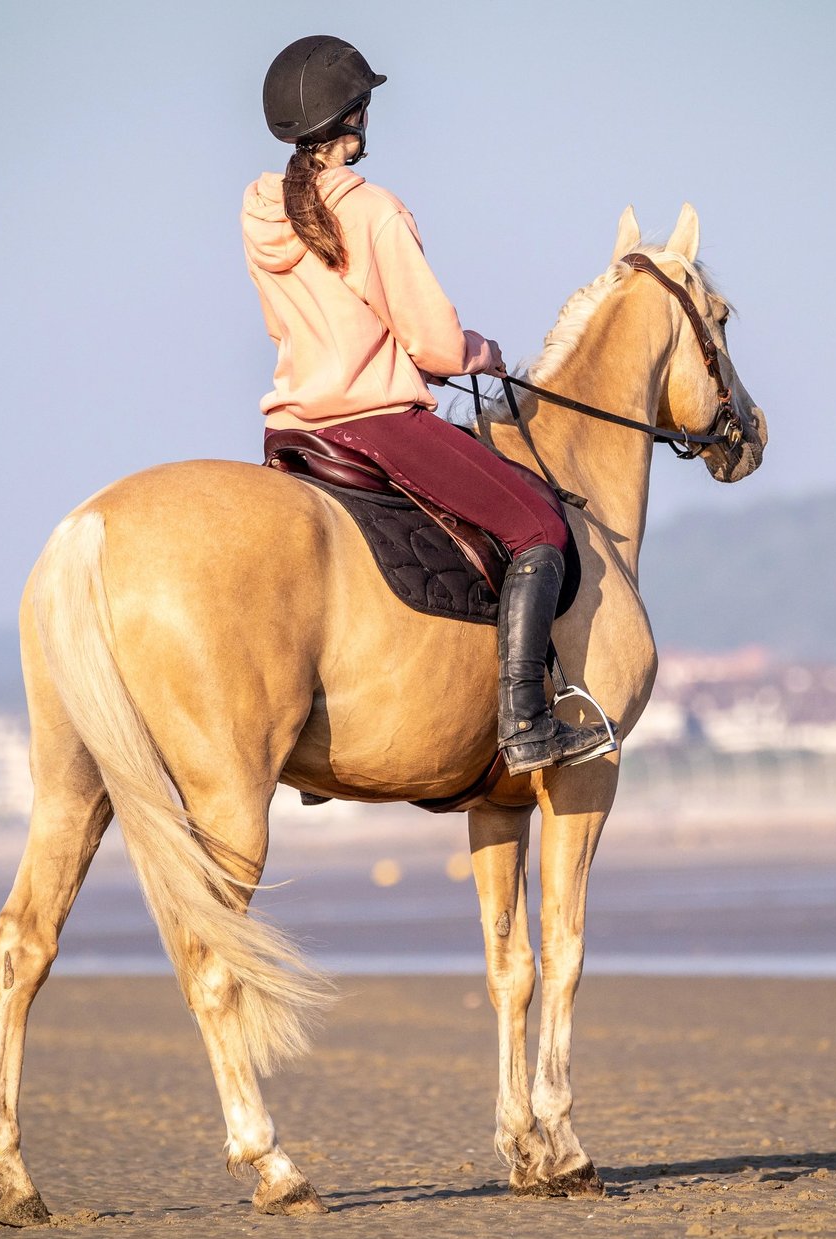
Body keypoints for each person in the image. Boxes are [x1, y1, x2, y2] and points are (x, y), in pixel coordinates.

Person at [244, 35, 611, 776]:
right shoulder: (372, 211)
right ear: (355, 116)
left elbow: (281, 326)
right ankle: (526, 721)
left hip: (290, 428)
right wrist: (484, 353)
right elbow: (435, 346)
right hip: (373, 420)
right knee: (539, 526)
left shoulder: (260, 214)